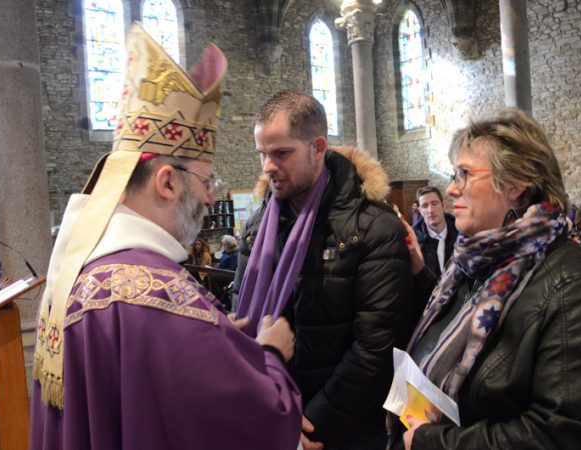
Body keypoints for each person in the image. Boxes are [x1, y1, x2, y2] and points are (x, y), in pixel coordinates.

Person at [30, 25, 302, 450]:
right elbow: (264, 416)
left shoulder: (80, 271)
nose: (210, 197)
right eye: (206, 181)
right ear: (167, 182)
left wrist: (206, 339)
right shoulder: (157, 294)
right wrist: (270, 354)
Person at [391, 108, 581, 449]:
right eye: (453, 174)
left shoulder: (578, 290)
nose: (451, 190)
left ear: (516, 183)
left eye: (464, 174)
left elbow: (572, 434)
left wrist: (434, 443)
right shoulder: (470, 266)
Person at [235, 90, 419, 450]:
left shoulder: (373, 226)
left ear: (318, 147)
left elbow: (375, 347)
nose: (268, 166)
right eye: (262, 154)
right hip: (273, 416)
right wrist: (274, 414)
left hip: (347, 432)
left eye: (281, 153)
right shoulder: (257, 228)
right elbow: (242, 322)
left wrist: (311, 425)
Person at [413, 186, 458, 277]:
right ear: (420, 211)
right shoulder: (414, 241)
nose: (430, 210)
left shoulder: (460, 233)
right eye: (425, 206)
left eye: (434, 203)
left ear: (443, 205)